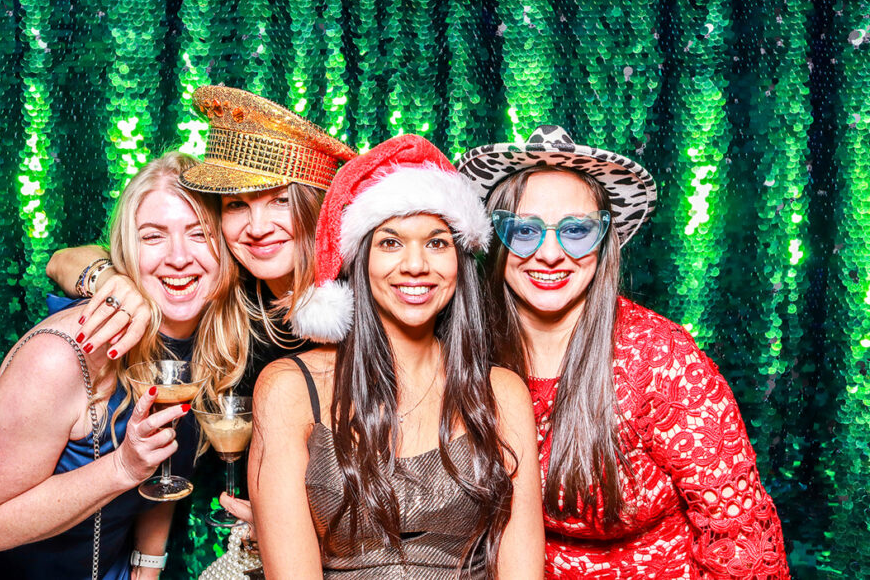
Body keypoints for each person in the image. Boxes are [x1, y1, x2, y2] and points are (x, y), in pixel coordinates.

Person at [458, 125, 790, 578]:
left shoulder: (659, 357)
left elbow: (740, 536)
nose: (550, 253)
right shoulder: (469, 350)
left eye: (576, 230)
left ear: (603, 241)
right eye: (523, 230)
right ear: (495, 239)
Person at [0, 151, 220, 579]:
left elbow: (170, 466)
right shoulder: (66, 352)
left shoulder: (216, 341)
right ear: (125, 253)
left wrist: (146, 569)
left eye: (199, 233)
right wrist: (123, 468)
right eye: (153, 237)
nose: (178, 257)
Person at [46, 86, 355, 522]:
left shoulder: (369, 293)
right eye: (236, 205)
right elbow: (61, 260)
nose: (258, 227)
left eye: (280, 200)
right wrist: (110, 279)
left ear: (315, 205)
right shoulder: (232, 296)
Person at [250, 135, 545, 578]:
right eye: (390, 242)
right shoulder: (289, 389)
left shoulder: (501, 393)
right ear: (360, 258)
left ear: (459, 260)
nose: (415, 265)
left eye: (436, 243)